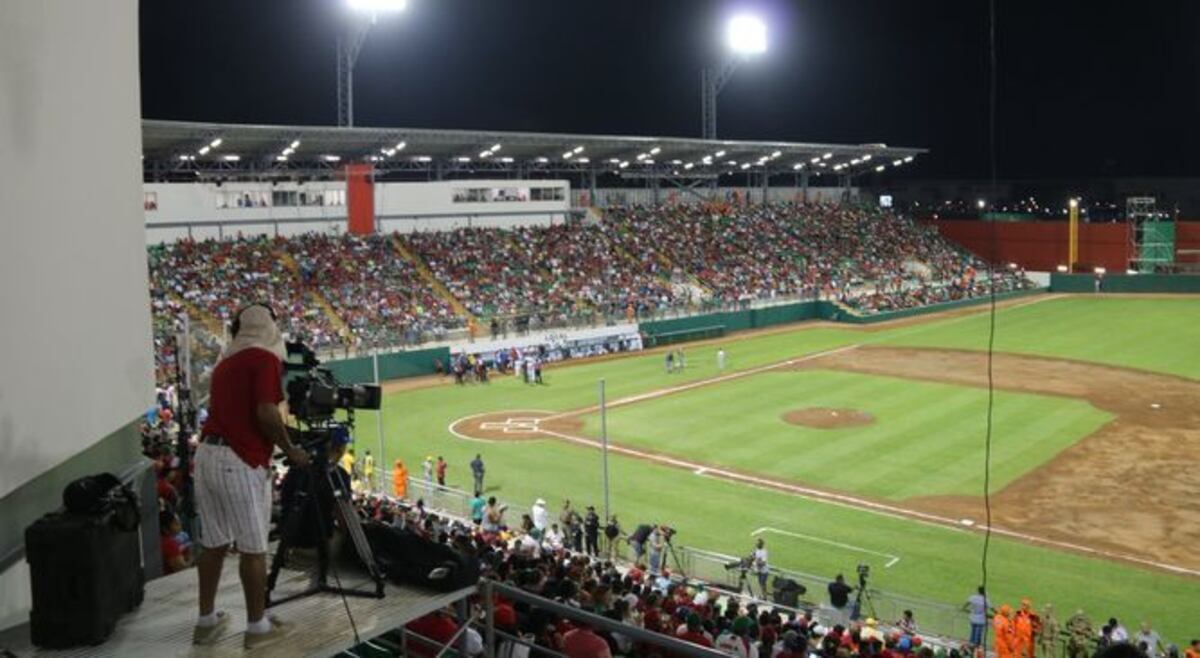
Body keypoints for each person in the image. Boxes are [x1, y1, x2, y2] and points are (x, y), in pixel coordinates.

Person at [192, 304, 309, 649]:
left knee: (213, 543)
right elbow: (265, 413)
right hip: (238, 460)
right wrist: (291, 449)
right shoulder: (264, 360)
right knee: (253, 549)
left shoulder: (225, 363)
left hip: (207, 456)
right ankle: (257, 628)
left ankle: (206, 622)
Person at [160, 510, 190, 575]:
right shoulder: (169, 543)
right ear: (165, 529)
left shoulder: (163, 540)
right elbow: (182, 569)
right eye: (176, 523)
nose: (179, 526)